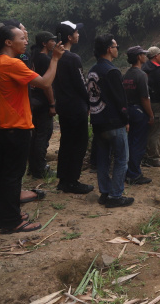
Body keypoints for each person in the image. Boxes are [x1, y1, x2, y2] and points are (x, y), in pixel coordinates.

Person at [0, 25, 63, 233]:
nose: (25, 41)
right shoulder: (11, 64)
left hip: (0, 127)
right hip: (16, 127)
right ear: (8, 42)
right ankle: (12, 222)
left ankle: (1, 217)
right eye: (21, 38)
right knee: (12, 176)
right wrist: (54, 59)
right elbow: (45, 82)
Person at [87, 34, 134, 208]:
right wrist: (126, 119)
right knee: (122, 159)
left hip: (98, 121)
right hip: (114, 122)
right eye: (115, 46)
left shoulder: (92, 70)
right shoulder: (112, 71)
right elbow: (120, 100)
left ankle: (105, 193)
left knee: (103, 160)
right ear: (109, 49)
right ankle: (116, 196)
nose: (117, 49)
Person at [53, 20, 93, 194]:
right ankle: (73, 181)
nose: (78, 35)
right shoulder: (73, 58)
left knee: (66, 142)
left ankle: (63, 179)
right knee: (79, 143)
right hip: (76, 107)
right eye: (76, 32)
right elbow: (81, 84)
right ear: (69, 37)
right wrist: (89, 102)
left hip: (63, 105)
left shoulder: (54, 57)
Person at [122, 46, 154, 186]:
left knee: (130, 141)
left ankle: (128, 171)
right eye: (143, 54)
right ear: (138, 57)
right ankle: (134, 174)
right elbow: (145, 98)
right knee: (139, 144)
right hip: (139, 111)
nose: (145, 56)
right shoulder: (141, 75)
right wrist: (151, 115)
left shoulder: (126, 74)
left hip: (129, 110)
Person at [28, 32, 57, 178]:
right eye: (52, 41)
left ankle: (33, 167)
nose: (54, 43)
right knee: (43, 135)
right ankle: (40, 169)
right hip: (43, 101)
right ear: (45, 43)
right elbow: (47, 84)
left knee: (35, 135)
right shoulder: (45, 59)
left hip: (33, 101)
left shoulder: (32, 57)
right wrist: (52, 103)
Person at [142, 46, 160, 168]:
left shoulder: (143, 67)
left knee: (147, 129)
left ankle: (145, 155)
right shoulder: (158, 70)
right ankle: (153, 158)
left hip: (145, 102)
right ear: (156, 56)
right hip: (157, 103)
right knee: (157, 131)